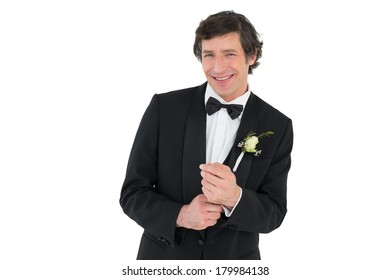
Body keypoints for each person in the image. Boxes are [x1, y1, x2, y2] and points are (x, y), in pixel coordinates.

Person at [119, 10, 293, 260]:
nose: (217, 67)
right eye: (208, 55)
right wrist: (180, 215)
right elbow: (132, 193)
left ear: (251, 56)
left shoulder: (278, 125)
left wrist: (235, 198)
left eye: (229, 54)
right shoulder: (163, 109)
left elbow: (274, 213)